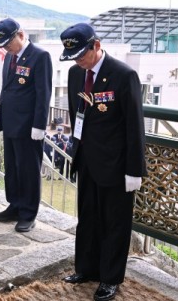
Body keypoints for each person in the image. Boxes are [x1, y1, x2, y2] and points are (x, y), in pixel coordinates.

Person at [58, 23, 147, 301]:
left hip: (116, 164)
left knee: (115, 223)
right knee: (88, 218)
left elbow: (135, 125)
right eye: (73, 56)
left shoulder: (123, 75)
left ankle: (110, 278)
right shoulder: (75, 74)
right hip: (86, 160)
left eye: (82, 54)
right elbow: (77, 116)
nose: (78, 61)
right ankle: (86, 268)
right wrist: (75, 153)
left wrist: (135, 170)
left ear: (96, 45)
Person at [0, 18, 52, 232]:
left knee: (28, 170)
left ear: (21, 34)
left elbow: (43, 94)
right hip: (10, 123)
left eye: (9, 42)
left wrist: (39, 125)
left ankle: (28, 212)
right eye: (4, 44)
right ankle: (14, 205)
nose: (7, 47)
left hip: (28, 126)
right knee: (13, 169)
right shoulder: (10, 56)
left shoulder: (40, 56)